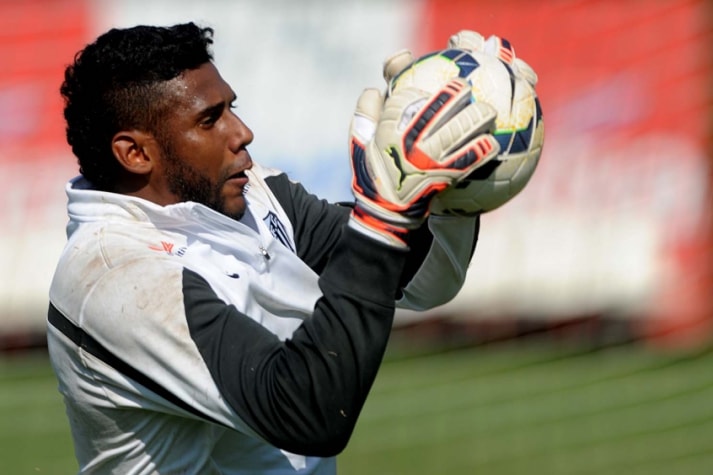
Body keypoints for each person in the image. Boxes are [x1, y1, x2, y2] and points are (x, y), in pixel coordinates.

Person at [47, 22, 521, 474]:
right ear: (135, 153)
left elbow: (417, 278)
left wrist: (449, 188)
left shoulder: (255, 193)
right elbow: (308, 411)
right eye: (210, 119)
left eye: (232, 107)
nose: (242, 132)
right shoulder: (112, 278)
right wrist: (384, 216)